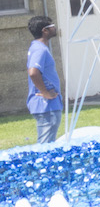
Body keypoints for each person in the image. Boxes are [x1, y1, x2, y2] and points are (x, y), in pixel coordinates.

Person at [26, 14, 62, 144]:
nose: (55, 27)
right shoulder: (40, 49)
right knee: (45, 147)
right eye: (51, 26)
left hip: (46, 105)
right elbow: (33, 72)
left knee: (47, 144)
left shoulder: (37, 48)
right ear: (44, 30)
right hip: (46, 105)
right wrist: (46, 92)